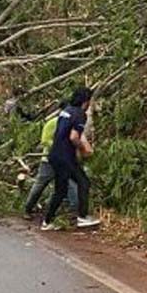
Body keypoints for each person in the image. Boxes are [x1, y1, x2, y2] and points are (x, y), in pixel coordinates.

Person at [42, 87, 100, 230]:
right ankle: (82, 217)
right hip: (65, 156)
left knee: (61, 190)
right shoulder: (80, 114)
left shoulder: (66, 111)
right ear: (86, 101)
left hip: (54, 155)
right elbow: (74, 137)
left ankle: (47, 221)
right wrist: (83, 148)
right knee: (83, 182)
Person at [23, 105, 79, 218]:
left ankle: (75, 210)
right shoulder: (52, 123)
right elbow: (45, 141)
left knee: (70, 185)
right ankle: (28, 208)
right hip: (49, 161)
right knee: (40, 185)